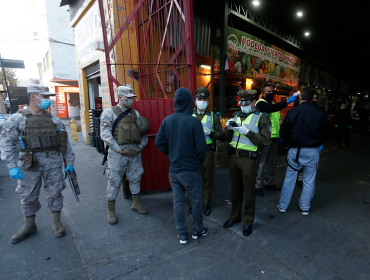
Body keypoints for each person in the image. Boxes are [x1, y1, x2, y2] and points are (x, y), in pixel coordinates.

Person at [0, 85, 75, 243]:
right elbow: (6, 142)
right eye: (45, 96)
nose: (48, 100)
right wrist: (11, 165)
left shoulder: (54, 120)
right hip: (29, 163)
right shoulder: (16, 118)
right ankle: (29, 224)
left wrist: (69, 162)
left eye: (49, 97)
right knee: (27, 195)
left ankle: (56, 221)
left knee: (55, 192)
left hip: (53, 162)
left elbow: (65, 144)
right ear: (33, 96)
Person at [155, 87, 208, 245]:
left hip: (175, 170)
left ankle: (182, 234)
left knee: (177, 202)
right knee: (196, 201)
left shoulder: (167, 120)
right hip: (191, 170)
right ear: (190, 102)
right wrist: (197, 161)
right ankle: (198, 230)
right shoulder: (194, 122)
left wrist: (172, 154)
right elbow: (201, 149)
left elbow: (159, 143)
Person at [223, 90, 271, 236]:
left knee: (249, 192)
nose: (243, 106)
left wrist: (247, 132)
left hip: (249, 160)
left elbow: (265, 141)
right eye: (241, 103)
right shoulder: (237, 115)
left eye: (246, 103)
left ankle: (248, 221)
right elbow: (227, 137)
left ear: (253, 102)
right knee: (235, 190)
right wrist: (228, 128)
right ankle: (234, 217)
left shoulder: (261, 118)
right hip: (234, 158)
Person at [100, 86, 149, 225]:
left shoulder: (135, 114)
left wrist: (140, 147)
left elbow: (143, 134)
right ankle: (111, 210)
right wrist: (119, 150)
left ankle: (136, 203)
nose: (131, 101)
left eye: (132, 98)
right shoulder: (109, 112)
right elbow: (105, 134)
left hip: (134, 152)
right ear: (120, 97)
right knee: (114, 180)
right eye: (128, 98)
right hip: (118, 154)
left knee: (135, 177)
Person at [277, 87, 327, 215]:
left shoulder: (293, 112)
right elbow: (326, 132)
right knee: (309, 180)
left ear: (300, 98)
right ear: (312, 99)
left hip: (295, 150)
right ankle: (305, 207)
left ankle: (283, 206)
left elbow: (283, 132)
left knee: (290, 177)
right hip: (312, 151)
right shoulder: (320, 113)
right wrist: (319, 142)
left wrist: (288, 142)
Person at [254, 84, 298, 196]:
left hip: (274, 138)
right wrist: (287, 101)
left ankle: (269, 182)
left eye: (272, 91)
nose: (271, 93)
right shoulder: (260, 104)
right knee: (261, 163)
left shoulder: (273, 104)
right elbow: (270, 109)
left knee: (272, 162)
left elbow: (276, 122)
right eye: (268, 92)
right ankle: (256, 185)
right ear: (262, 93)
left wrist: (279, 136)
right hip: (264, 138)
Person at [189, 87, 223, 216]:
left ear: (208, 102)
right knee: (193, 179)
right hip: (192, 152)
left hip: (207, 152)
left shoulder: (213, 116)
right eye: (199, 99)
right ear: (195, 100)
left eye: (204, 99)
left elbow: (221, 133)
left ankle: (205, 203)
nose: (202, 101)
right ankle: (194, 203)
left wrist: (211, 133)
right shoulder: (189, 115)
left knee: (207, 179)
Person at [297, 91, 320, 187]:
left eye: (316, 98)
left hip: (312, 144)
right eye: (313, 98)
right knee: (298, 164)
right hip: (299, 144)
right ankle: (300, 177)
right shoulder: (297, 111)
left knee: (308, 168)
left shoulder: (319, 112)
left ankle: (304, 178)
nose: (314, 100)